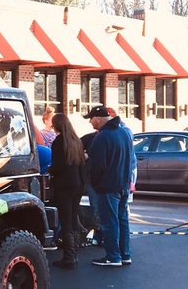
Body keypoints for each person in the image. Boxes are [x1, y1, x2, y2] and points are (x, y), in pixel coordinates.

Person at [84, 105, 134, 267]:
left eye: (91, 119)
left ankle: (113, 257)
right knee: (122, 221)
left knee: (109, 222)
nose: (90, 122)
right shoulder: (124, 133)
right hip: (123, 184)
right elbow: (130, 160)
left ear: (98, 119)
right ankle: (125, 254)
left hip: (108, 187)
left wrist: (95, 183)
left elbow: (97, 165)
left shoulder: (102, 137)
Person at [48, 113, 86, 269]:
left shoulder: (58, 142)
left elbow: (58, 166)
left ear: (57, 125)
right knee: (73, 217)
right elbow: (82, 164)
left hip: (64, 185)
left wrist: (50, 170)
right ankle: (74, 253)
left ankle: (69, 257)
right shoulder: (76, 140)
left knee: (65, 220)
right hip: (78, 184)